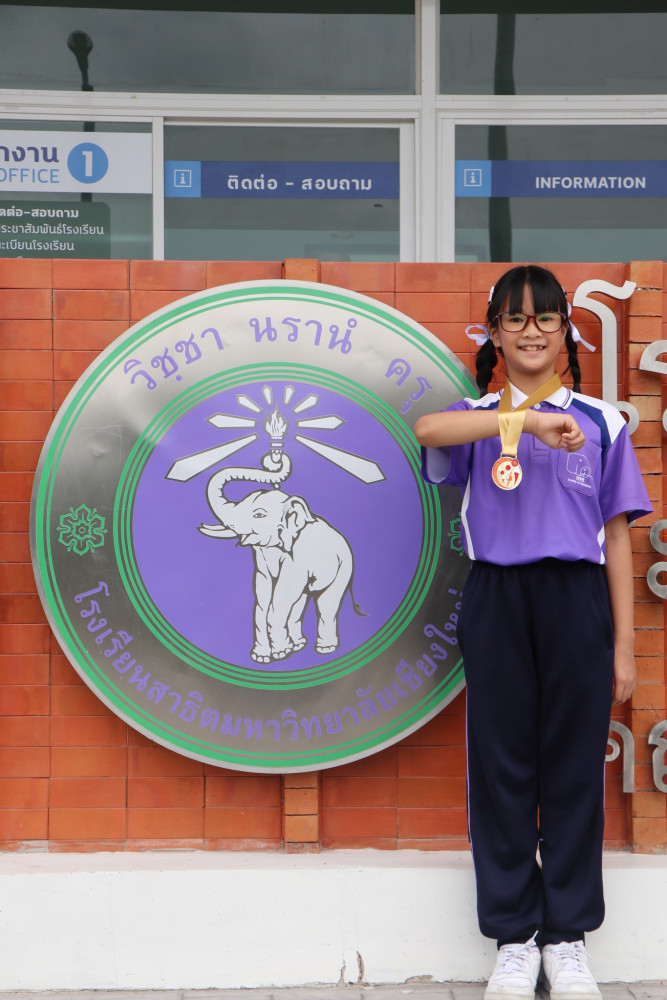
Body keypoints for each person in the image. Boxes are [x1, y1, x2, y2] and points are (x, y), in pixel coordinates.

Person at [414, 265, 652, 1000]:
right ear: (493, 333)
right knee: (501, 768)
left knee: (574, 769)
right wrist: (520, 421)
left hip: (576, 598)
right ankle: (514, 938)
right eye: (514, 319)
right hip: (497, 595)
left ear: (564, 333)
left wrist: (623, 646)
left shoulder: (602, 422)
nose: (530, 332)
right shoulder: (475, 416)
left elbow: (617, 537)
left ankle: (566, 939)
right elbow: (426, 431)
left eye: (545, 318)